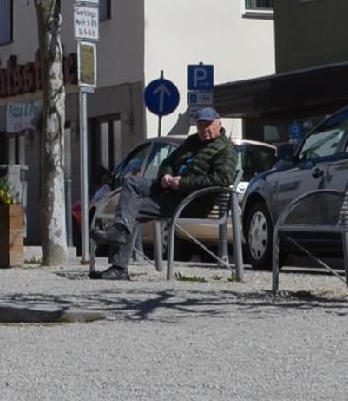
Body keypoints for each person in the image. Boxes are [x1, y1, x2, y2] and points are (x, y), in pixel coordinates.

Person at [92, 107, 240, 281]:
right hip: (170, 191)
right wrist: (165, 176)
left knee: (133, 210)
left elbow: (221, 179)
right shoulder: (192, 141)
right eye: (200, 125)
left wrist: (182, 183)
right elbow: (168, 161)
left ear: (218, 124)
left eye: (207, 125)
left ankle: (119, 266)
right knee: (132, 183)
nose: (203, 130)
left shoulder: (225, 150)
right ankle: (120, 232)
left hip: (191, 202)